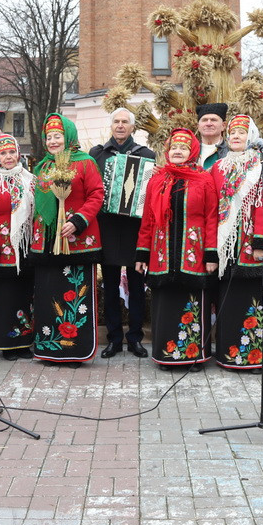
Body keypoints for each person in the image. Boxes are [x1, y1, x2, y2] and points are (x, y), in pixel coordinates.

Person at [135, 128, 219, 371]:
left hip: (193, 255)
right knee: (166, 304)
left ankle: (193, 356)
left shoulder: (204, 179)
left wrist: (211, 253)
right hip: (162, 254)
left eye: (183, 148)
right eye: (174, 148)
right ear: (167, 152)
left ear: (192, 151)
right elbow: (148, 219)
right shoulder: (157, 180)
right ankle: (167, 354)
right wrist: (142, 252)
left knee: (192, 302)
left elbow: (212, 217)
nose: (178, 152)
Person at [30, 113, 104, 366]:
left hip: (76, 241)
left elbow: (96, 195)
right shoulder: (43, 167)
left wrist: (78, 221)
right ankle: (48, 348)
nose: (52, 141)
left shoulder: (85, 163)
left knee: (73, 294)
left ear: (68, 137)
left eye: (57, 136)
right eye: (49, 137)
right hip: (47, 242)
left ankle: (74, 350)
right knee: (49, 295)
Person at [89, 107, 156, 358]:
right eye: (116, 121)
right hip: (107, 227)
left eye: (124, 122)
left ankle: (135, 338)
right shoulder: (97, 154)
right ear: (111, 126)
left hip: (135, 229)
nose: (120, 126)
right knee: (110, 286)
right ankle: (114, 339)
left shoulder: (147, 155)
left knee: (137, 286)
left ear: (132, 127)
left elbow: (149, 194)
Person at [211, 115, 263, 371]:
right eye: (232, 133)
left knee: (251, 298)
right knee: (228, 300)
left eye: (241, 132)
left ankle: (256, 355)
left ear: (250, 135)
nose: (236, 136)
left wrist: (260, 241)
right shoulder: (218, 167)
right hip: (226, 243)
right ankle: (229, 354)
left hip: (250, 242)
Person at [0, 133, 36, 360]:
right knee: (5, 296)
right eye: (3, 153)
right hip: (3, 246)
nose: (8, 157)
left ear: (18, 153)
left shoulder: (30, 179)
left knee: (24, 294)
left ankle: (24, 342)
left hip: (24, 247)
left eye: (12, 152)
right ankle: (6, 344)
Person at [196, 103, 229, 171]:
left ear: (223, 125)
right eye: (204, 120)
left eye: (213, 120)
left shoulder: (230, 152)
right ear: (198, 126)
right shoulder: (189, 152)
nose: (208, 124)